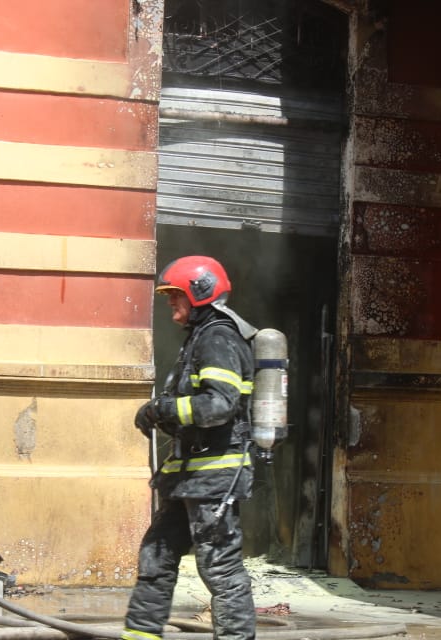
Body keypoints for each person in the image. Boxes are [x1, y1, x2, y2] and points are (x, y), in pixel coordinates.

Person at [122, 256, 258, 640]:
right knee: (157, 556)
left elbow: (218, 406)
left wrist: (163, 408)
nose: (171, 305)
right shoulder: (200, 338)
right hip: (189, 476)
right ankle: (140, 636)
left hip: (215, 475)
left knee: (219, 567)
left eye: (175, 296)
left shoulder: (219, 338)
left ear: (199, 292)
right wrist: (160, 414)